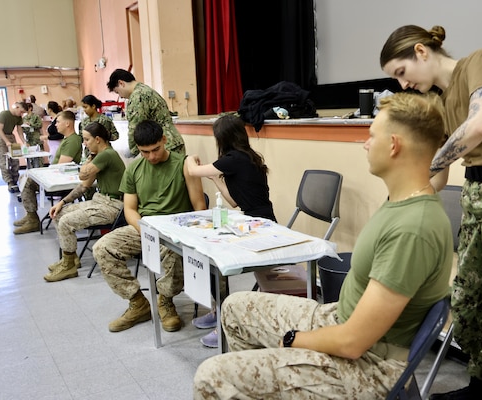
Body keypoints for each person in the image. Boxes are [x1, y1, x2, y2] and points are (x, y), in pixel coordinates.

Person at [193, 92, 454, 399]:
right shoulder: (408, 195)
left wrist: (294, 341)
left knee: (210, 377)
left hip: (368, 366)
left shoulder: (413, 229)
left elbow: (353, 342)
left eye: (371, 136)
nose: (365, 144)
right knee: (235, 307)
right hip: (340, 318)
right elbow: (437, 174)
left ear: (394, 145)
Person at [380, 25, 482, 400]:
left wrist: (427, 165)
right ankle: (481, 388)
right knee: (468, 305)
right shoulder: (443, 99)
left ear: (421, 51)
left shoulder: (479, 62)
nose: (402, 84)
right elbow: (438, 175)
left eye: (401, 73)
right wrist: (404, 196)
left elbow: (480, 124)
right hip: (478, 192)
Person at [93, 120, 206, 333]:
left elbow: (199, 207)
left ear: (164, 140)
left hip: (176, 228)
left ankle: (165, 300)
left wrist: (183, 233)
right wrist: (145, 231)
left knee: (173, 252)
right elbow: (130, 209)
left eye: (156, 149)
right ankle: (138, 303)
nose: (152, 157)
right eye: (145, 152)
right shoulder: (134, 168)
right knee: (102, 248)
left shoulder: (183, 164)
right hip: (145, 226)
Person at [185, 114, 277, 348]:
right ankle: (220, 312)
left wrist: (188, 158)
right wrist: (216, 179)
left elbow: (193, 171)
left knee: (215, 257)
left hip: (260, 224)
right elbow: (234, 201)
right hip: (253, 218)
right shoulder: (244, 157)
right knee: (208, 253)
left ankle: (226, 322)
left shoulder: (234, 159)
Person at [43, 122, 125, 282]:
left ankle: (69, 267)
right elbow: (84, 186)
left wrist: (87, 160)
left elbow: (82, 175)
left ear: (98, 139)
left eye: (87, 140)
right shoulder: (98, 156)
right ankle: (71, 259)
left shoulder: (107, 154)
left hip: (113, 206)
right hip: (100, 200)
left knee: (66, 221)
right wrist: (63, 202)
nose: (84, 143)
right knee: (59, 214)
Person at [13, 111, 83, 235]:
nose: (55, 125)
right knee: (25, 176)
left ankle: (33, 219)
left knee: (28, 181)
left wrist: (45, 172)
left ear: (67, 124)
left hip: (61, 180)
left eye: (58, 122)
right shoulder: (67, 139)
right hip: (57, 175)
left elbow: (61, 166)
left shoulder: (73, 140)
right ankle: (31, 215)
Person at [106, 68, 185, 157]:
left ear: (121, 83)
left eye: (117, 92)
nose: (120, 96)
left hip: (161, 146)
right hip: (171, 141)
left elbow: (135, 127)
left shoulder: (137, 96)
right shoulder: (145, 89)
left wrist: (133, 150)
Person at [0, 102, 27, 193]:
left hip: (11, 136)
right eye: (21, 111)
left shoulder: (19, 117)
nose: (21, 114)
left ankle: (15, 179)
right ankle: (9, 182)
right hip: (0, 137)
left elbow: (19, 130)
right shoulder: (4, 114)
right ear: (16, 107)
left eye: (23, 113)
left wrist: (24, 141)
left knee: (15, 159)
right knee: (4, 160)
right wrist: (6, 141)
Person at [23, 102, 44, 168]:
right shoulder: (24, 118)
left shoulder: (36, 116)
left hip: (36, 138)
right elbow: (22, 128)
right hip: (29, 138)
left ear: (30, 108)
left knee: (39, 157)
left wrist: (31, 125)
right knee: (29, 156)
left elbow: (40, 125)